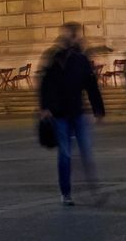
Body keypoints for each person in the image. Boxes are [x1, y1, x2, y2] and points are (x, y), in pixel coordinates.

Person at [36, 23, 104, 205]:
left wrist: (98, 109)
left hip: (77, 112)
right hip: (59, 114)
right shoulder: (53, 58)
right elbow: (45, 85)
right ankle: (66, 193)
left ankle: (93, 189)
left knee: (86, 152)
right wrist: (45, 107)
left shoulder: (80, 59)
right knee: (65, 154)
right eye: (71, 35)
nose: (73, 38)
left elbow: (91, 85)